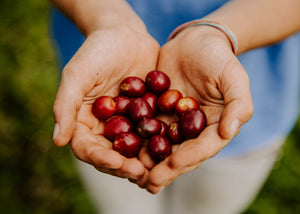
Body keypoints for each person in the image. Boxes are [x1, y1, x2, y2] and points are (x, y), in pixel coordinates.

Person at [50, 0, 300, 213]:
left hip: (248, 105)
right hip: (103, 70)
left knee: (210, 204)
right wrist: (105, 18)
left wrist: (218, 33)